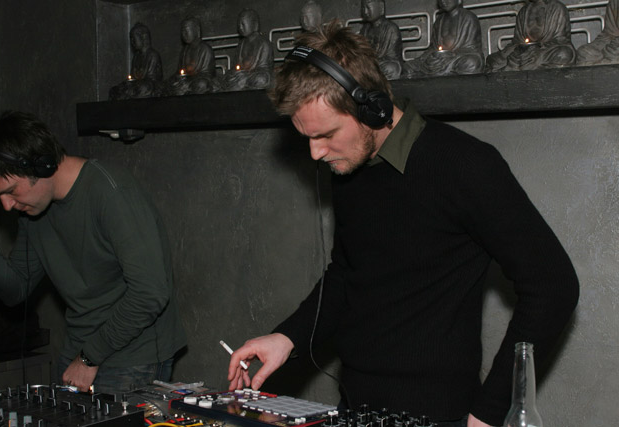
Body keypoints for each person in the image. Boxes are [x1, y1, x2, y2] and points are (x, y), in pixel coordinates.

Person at [226, 21, 579, 427]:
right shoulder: (349, 165)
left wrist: (489, 412)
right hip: (356, 408)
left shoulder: (464, 165)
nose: (315, 153)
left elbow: (553, 285)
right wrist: (288, 337)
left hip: (439, 416)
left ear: (370, 109)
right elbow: (348, 274)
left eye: (325, 135)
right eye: (307, 138)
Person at [0, 111, 186, 395]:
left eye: (12, 191)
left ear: (42, 165)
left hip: (133, 357)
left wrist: (90, 357)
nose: (6, 206)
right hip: (80, 351)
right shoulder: (32, 211)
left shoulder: (112, 193)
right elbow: (15, 289)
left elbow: (150, 292)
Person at [485, 0, 576, 72]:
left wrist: (537, 50)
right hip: (523, 53)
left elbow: (561, 40)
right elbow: (517, 42)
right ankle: (522, 66)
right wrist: (519, 50)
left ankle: (523, 67)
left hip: (543, 52)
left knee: (564, 54)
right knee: (492, 60)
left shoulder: (557, 8)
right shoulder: (523, 11)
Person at [402, 0, 484, 78]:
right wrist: (432, 55)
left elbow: (472, 48)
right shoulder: (439, 21)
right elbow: (433, 47)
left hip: (457, 58)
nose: (443, 1)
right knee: (408, 66)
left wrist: (450, 55)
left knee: (472, 63)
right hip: (439, 59)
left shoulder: (469, 18)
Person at [164, 16, 217, 95]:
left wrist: (188, 81)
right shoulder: (184, 51)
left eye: (187, 30)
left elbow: (207, 74)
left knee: (202, 84)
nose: (184, 34)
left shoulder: (205, 49)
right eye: (182, 31)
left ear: (196, 30)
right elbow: (180, 72)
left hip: (198, 81)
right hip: (187, 81)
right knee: (167, 84)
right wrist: (175, 78)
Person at [223, 8, 274, 91]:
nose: (240, 27)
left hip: (255, 76)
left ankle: (243, 83)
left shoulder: (263, 43)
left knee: (262, 79)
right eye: (239, 25)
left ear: (253, 24)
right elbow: (236, 65)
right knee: (227, 77)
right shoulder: (241, 44)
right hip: (242, 76)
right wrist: (237, 72)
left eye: (243, 24)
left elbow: (264, 68)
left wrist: (246, 75)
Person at [110, 22, 163, 99]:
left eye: (134, 38)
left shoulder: (153, 55)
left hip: (148, 86)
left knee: (144, 88)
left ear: (142, 38)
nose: (132, 42)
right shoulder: (136, 56)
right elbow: (133, 77)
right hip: (137, 85)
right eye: (131, 39)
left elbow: (152, 79)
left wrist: (136, 83)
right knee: (115, 89)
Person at [359, 0, 403, 80]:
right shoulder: (364, 30)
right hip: (368, 66)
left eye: (368, 8)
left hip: (382, 65)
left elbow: (392, 57)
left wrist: (374, 63)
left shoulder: (391, 28)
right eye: (363, 8)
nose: (365, 12)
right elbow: (360, 54)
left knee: (391, 68)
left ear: (381, 8)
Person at [577, 0, 619, 65]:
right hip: (613, 46)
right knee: (584, 52)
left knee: (615, 51)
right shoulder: (615, 2)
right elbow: (609, 33)